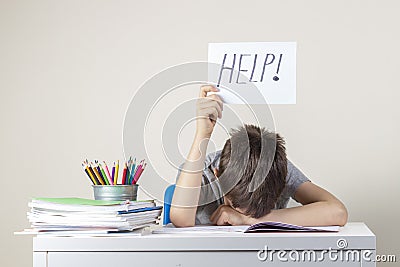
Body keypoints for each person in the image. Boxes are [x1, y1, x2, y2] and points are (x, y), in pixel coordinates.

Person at [170, 85, 348, 227]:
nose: (246, 215)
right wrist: (203, 133)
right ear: (218, 176)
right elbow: (180, 219)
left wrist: (250, 221)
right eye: (238, 208)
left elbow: (337, 212)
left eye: (258, 211)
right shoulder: (200, 171)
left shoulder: (277, 168)